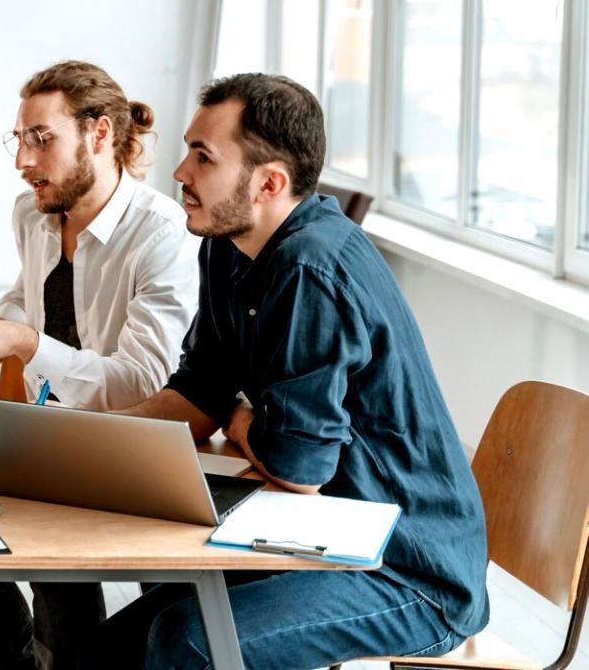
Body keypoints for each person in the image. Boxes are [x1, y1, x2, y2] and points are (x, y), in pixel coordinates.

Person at [80, 73, 489, 669]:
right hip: (322, 537)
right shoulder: (226, 243)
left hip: (409, 574)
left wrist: (240, 417)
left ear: (269, 183)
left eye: (202, 157)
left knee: (184, 643)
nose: (179, 173)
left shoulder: (312, 269)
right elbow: (199, 395)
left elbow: (298, 471)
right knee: (107, 650)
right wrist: (87, 443)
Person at [0, 60, 199, 670]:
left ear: (100, 135)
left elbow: (139, 384)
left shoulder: (161, 235)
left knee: (54, 570)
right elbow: (27, 295)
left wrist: (19, 339)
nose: (23, 160)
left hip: (133, 447)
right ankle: (22, 663)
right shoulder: (34, 212)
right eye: (19, 139)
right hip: (52, 432)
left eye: (42, 140)